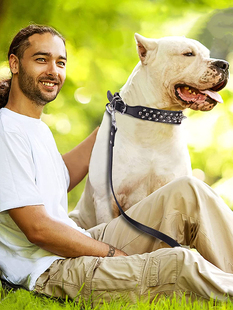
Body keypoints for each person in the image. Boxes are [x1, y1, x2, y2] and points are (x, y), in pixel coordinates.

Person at [0, 24, 233, 306]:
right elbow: (37, 229)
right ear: (14, 63)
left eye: (60, 62)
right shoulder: (6, 130)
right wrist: (109, 252)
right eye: (41, 59)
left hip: (79, 243)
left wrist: (120, 115)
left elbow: (59, 179)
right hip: (51, 269)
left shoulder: (35, 128)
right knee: (180, 262)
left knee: (190, 190)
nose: (53, 70)